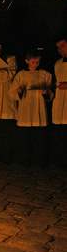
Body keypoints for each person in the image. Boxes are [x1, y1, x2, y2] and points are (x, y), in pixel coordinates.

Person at [8, 52, 52, 166]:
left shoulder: (45, 74)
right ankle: (24, 160)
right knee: (24, 138)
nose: (35, 64)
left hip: (39, 110)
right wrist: (19, 91)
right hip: (25, 110)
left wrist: (46, 92)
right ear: (27, 61)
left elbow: (50, 94)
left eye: (37, 62)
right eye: (33, 62)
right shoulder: (21, 75)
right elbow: (11, 92)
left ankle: (39, 161)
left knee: (39, 138)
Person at [51, 36, 67, 168]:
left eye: (62, 46)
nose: (59, 49)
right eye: (58, 47)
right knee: (60, 134)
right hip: (60, 101)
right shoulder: (57, 64)